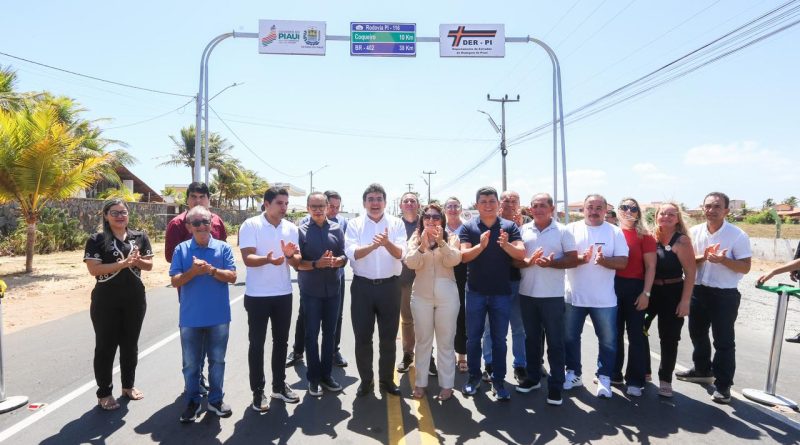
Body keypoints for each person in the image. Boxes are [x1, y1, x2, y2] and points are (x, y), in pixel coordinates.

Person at [676, 192, 751, 404]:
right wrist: (704, 257)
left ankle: (723, 385)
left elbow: (745, 267)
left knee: (723, 341)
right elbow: (688, 261)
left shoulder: (737, 235)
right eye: (708, 206)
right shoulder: (694, 232)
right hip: (698, 291)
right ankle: (702, 370)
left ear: (726, 210)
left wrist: (723, 260)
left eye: (717, 206)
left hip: (724, 295)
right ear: (703, 208)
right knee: (697, 334)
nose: (711, 210)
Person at [83, 199, 153, 411]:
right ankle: (104, 392)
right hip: (106, 301)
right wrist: (123, 264)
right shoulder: (96, 239)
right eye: (114, 213)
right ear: (106, 216)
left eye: (123, 212)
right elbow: (94, 270)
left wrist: (137, 261)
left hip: (135, 300)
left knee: (130, 345)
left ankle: (128, 386)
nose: (120, 216)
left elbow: (149, 265)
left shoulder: (139, 237)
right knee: (106, 346)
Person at [169, 206, 237, 423]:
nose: (201, 226)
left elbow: (233, 276)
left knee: (217, 361)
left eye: (205, 222)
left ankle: (216, 400)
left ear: (211, 224)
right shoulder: (181, 249)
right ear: (189, 226)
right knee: (190, 364)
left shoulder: (223, 248)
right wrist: (193, 272)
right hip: (191, 318)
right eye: (196, 223)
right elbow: (175, 281)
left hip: (219, 317)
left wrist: (211, 270)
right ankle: (192, 401)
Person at [460, 186, 525, 401]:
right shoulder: (468, 227)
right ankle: (473, 377)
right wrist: (481, 246)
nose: (488, 205)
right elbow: (464, 256)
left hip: (501, 293)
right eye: (483, 201)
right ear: (476, 205)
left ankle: (499, 381)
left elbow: (521, 253)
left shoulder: (509, 226)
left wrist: (506, 245)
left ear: (498, 204)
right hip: (476, 292)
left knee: (499, 339)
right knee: (473, 339)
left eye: (492, 201)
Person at [239, 186, 302, 411]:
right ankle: (258, 391)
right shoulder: (251, 225)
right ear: (266, 204)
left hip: (283, 293)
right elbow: (247, 258)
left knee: (281, 342)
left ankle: (279, 386)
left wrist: (289, 256)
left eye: (286, 203)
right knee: (257, 344)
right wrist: (267, 259)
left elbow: (297, 262)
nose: (284, 207)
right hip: (257, 296)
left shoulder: (291, 228)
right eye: (279, 203)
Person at [513, 193, 577, 406]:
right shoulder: (523, 230)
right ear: (530, 209)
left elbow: (572, 259)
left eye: (542, 205)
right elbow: (515, 261)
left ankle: (556, 386)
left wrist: (552, 263)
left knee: (555, 343)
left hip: (552, 296)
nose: (538, 209)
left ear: (551, 209)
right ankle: (533, 378)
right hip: (527, 294)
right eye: (535, 206)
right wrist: (528, 261)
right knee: (531, 340)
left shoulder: (563, 231)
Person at [563, 194, 629, 399]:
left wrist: (604, 261)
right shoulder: (570, 229)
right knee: (570, 338)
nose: (593, 211)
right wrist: (580, 259)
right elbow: (563, 257)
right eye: (590, 207)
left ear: (605, 210)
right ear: (583, 209)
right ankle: (573, 373)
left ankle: (604, 377)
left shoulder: (615, 232)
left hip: (604, 299)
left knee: (608, 340)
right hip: (573, 296)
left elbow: (623, 262)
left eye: (598, 208)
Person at [345, 183, 407, 397]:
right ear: (364, 203)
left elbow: (401, 254)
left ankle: (387, 380)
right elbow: (352, 253)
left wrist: (386, 243)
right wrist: (373, 246)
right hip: (362, 288)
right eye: (370, 199)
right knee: (363, 337)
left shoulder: (396, 223)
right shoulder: (354, 224)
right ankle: (366, 380)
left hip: (390, 287)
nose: (375, 203)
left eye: (379, 199)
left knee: (388, 338)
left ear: (385, 202)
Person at [164, 181, 227, 394]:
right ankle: (194, 381)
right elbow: (170, 257)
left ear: (208, 199)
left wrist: (212, 267)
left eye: (202, 197)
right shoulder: (176, 224)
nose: (198, 200)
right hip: (190, 291)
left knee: (214, 344)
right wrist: (191, 266)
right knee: (193, 342)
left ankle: (208, 385)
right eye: (193, 197)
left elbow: (223, 249)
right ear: (187, 199)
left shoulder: (217, 221)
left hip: (215, 290)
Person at [404, 203, 462, 400]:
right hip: (421, 296)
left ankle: (447, 385)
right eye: (427, 216)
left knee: (446, 342)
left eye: (436, 217)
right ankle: (420, 383)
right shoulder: (415, 238)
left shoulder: (451, 237)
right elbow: (411, 262)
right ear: (422, 220)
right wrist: (422, 246)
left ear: (442, 220)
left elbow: (454, 260)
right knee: (423, 341)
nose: (431, 220)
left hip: (447, 298)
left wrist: (441, 243)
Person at [287, 190, 350, 368]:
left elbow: (345, 254)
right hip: (311, 287)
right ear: (308, 208)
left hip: (334, 282)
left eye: (322, 206)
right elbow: (297, 263)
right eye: (314, 206)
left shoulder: (339, 226)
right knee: (309, 326)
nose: (318, 210)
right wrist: (316, 264)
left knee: (333, 323)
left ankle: (331, 357)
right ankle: (302, 356)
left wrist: (338, 261)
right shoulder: (302, 230)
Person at [644, 202, 696, 397]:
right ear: (656, 216)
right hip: (650, 292)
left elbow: (690, 273)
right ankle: (645, 370)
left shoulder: (681, 241)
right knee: (640, 329)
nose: (666, 217)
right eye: (662, 213)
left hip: (673, 293)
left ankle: (665, 380)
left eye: (671, 214)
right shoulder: (650, 237)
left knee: (669, 338)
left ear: (677, 219)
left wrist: (685, 301)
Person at [482, 190, 529, 384]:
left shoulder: (526, 226)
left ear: (519, 204)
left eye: (514, 201)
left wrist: (520, 227)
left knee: (518, 328)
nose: (510, 204)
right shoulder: (491, 222)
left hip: (515, 282)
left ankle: (520, 365)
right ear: (499, 203)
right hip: (492, 283)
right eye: (506, 200)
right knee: (489, 328)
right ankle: (489, 364)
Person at [612, 198, 656, 397]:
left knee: (636, 335)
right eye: (624, 207)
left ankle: (635, 380)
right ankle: (614, 374)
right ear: (618, 210)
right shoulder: (611, 232)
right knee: (613, 334)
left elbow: (651, 267)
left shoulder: (645, 236)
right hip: (612, 288)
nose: (628, 211)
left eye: (633, 208)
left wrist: (646, 293)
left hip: (635, 288)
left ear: (638, 212)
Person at [396, 192, 434, 376]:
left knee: (427, 320)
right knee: (407, 320)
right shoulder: (395, 225)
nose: (409, 203)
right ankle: (408, 354)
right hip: (404, 279)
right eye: (406, 201)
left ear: (418, 204)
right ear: (401, 205)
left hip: (425, 278)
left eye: (413, 201)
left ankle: (428, 356)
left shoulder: (426, 221)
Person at [444, 197, 468, 373]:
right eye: (449, 206)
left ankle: (462, 355)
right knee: (445, 318)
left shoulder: (468, 227)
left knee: (462, 316)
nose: (452, 209)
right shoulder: (439, 226)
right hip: (444, 275)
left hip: (464, 276)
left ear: (460, 208)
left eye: (455, 206)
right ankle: (448, 353)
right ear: (445, 209)